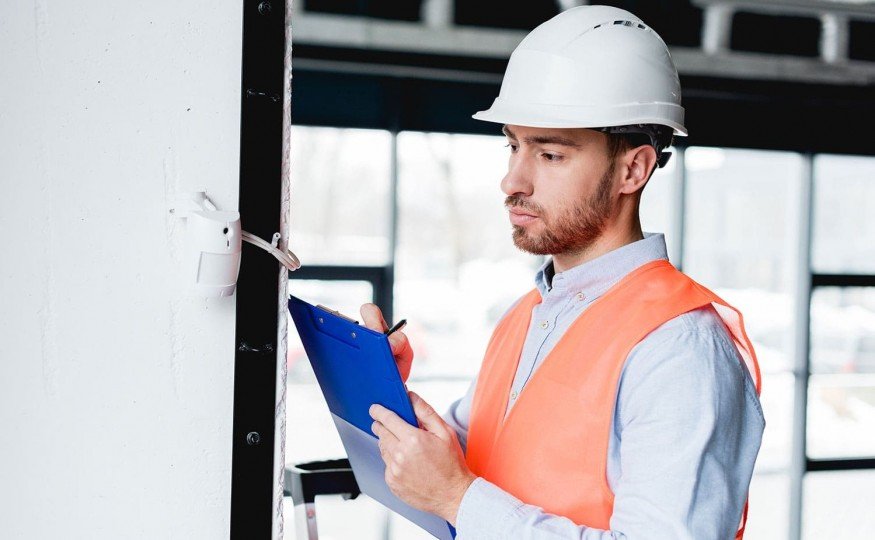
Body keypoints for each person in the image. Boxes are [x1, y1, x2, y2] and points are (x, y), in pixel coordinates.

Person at [361, 5, 765, 539]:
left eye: (549, 155)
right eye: (513, 145)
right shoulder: (527, 317)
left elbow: (459, 494)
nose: (513, 180)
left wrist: (460, 500)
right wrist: (377, 384)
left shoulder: (678, 348)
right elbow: (455, 468)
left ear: (632, 169)